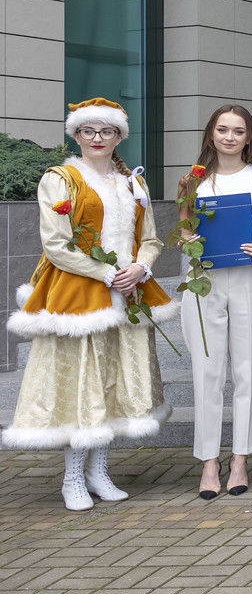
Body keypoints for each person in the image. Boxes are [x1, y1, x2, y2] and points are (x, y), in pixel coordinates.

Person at [4, 98, 176, 510]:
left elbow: (151, 238)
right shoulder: (60, 179)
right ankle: (72, 479)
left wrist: (140, 268)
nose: (97, 138)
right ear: (76, 135)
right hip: (80, 294)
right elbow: (55, 244)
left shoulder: (133, 183)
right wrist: (105, 273)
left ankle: (99, 472)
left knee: (113, 383)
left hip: (128, 292)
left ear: (119, 137)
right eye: (88, 130)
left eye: (106, 131)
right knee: (83, 384)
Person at [177, 106, 252, 499]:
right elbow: (183, 230)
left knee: (246, 370)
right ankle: (209, 461)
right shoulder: (191, 180)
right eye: (222, 129)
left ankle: (240, 458)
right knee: (206, 372)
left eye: (238, 131)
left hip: (249, 278)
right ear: (211, 133)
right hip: (204, 280)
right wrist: (187, 240)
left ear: (248, 137)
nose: (229, 137)